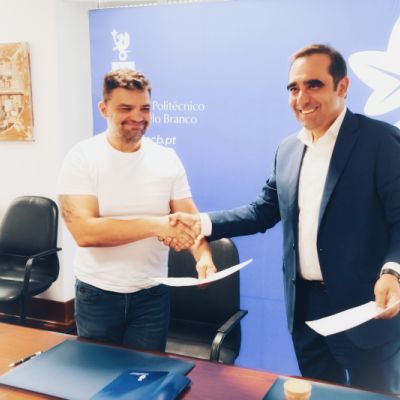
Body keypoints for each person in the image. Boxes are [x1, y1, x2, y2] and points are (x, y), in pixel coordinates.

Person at [166, 44, 400, 394]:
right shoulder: (288, 149)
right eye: (293, 88)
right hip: (306, 310)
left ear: (342, 86)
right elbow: (263, 210)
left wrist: (393, 271)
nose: (301, 98)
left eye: (314, 85)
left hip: (366, 308)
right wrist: (201, 223)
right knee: (318, 393)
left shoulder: (379, 141)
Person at [57, 69, 215, 351]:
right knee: (98, 375)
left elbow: (191, 223)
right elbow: (85, 232)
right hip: (97, 295)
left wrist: (203, 257)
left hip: (151, 296)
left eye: (145, 108)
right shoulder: (81, 158)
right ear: (104, 109)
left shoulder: (166, 159)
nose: (138, 117)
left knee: (146, 375)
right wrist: (157, 224)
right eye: (125, 108)